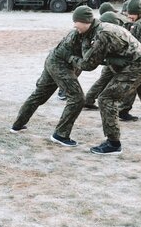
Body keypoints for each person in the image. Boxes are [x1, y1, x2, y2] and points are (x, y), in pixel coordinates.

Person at [65, 5, 141, 153]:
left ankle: (113, 143)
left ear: (85, 21)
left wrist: (71, 58)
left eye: (75, 22)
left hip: (137, 66)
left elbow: (88, 64)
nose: (74, 26)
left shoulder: (102, 34)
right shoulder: (102, 28)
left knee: (106, 99)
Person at [10, 9, 87, 147]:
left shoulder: (84, 33)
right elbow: (82, 61)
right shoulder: (77, 34)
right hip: (59, 64)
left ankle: (17, 125)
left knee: (39, 95)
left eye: (76, 22)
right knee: (77, 97)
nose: (75, 25)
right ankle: (60, 135)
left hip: (54, 61)